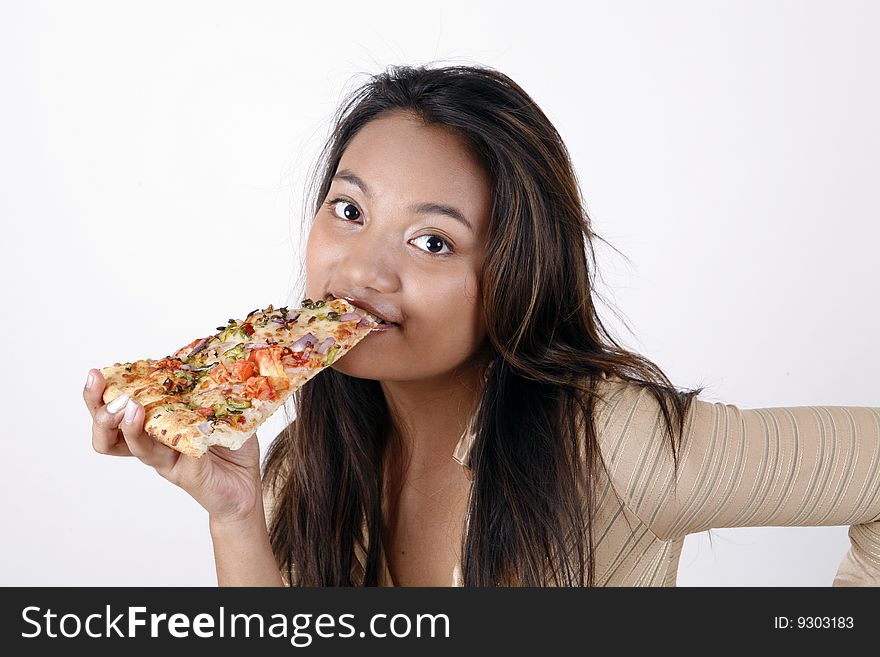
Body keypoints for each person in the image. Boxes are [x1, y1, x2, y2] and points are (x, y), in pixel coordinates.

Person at [84, 63, 880, 587]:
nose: (363, 270)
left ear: (514, 275)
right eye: (349, 209)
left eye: (433, 240)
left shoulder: (608, 442)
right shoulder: (301, 466)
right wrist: (235, 514)